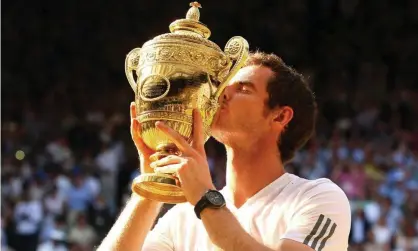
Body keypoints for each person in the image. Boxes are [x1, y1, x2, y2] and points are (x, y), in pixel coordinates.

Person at [98, 52, 351, 251]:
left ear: (280, 116)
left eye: (243, 88)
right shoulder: (184, 217)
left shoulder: (318, 197)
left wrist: (206, 199)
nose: (221, 95)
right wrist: (151, 190)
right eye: (223, 86)